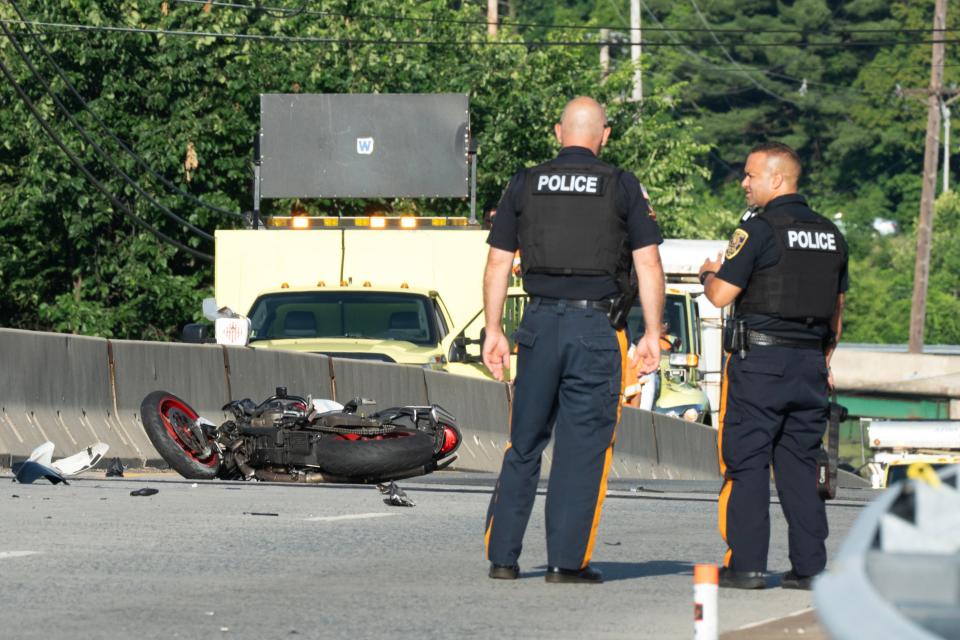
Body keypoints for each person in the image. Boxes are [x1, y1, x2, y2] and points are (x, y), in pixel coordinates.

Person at [482, 96, 665, 584]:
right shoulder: (622, 185)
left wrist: (494, 331)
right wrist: (651, 333)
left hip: (537, 326)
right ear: (603, 135)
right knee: (580, 450)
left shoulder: (524, 182)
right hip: (595, 330)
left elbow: (499, 262)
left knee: (524, 443)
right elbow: (647, 263)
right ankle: (565, 563)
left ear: (558, 132)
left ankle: (502, 557)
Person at [698, 142, 848, 591]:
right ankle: (807, 568)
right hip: (810, 366)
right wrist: (824, 360)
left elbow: (720, 295)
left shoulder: (760, 231)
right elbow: (837, 312)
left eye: (750, 175)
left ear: (777, 179)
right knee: (800, 467)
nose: (744, 183)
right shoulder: (831, 235)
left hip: (761, 363)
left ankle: (747, 566)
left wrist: (711, 272)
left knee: (747, 463)